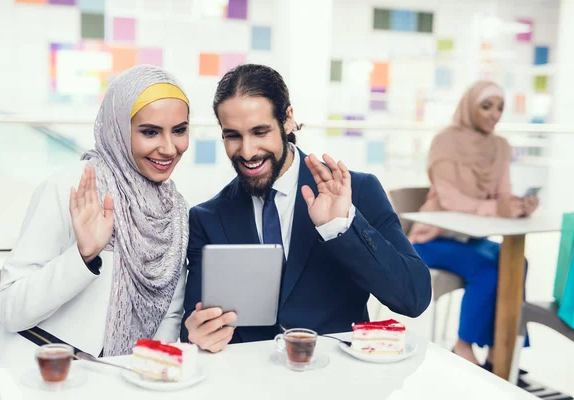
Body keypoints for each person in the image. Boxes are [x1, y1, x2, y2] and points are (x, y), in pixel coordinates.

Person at [181, 64, 432, 352]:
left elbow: (414, 298)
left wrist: (342, 227)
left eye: (260, 132)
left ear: (287, 120)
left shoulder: (358, 192)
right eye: (233, 136)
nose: (247, 151)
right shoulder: (206, 219)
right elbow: (193, 327)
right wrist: (196, 335)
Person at [0, 65, 190, 397]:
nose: (169, 148)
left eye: (179, 130)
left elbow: (166, 316)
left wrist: (148, 384)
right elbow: (10, 307)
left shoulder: (174, 211)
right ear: (119, 128)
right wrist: (82, 256)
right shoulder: (76, 187)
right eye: (149, 132)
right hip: (35, 381)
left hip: (119, 384)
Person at [408, 81, 539, 367]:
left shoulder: (500, 146)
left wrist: (518, 204)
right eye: (486, 106)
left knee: (519, 262)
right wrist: (496, 208)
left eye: (500, 108)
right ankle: (463, 344)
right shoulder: (445, 140)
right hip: (432, 239)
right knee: (488, 267)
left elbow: (502, 193)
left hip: (471, 238)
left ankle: (500, 347)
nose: (494, 114)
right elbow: (450, 198)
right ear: (469, 107)